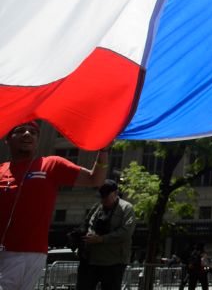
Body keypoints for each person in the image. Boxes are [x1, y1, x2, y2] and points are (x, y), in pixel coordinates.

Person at [0, 121, 108, 290]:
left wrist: (103, 151)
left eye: (33, 132)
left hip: (30, 253)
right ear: (8, 139)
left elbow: (96, 179)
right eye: (20, 131)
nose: (27, 134)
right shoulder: (1, 170)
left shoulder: (51, 165)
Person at [76, 179, 136, 290]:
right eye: (101, 197)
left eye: (106, 197)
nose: (103, 200)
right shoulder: (97, 207)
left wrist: (102, 239)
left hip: (113, 262)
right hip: (91, 260)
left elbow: (126, 232)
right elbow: (89, 224)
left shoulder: (126, 208)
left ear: (115, 193)